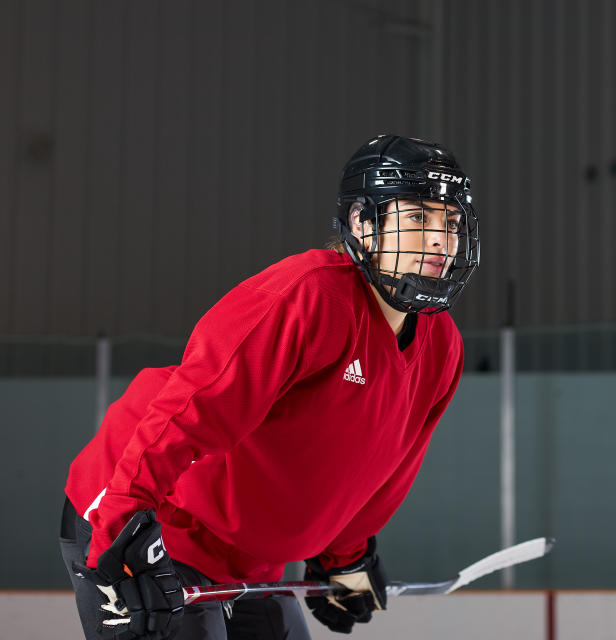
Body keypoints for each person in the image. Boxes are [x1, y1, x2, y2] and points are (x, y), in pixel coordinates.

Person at [59, 134, 480, 639]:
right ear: (362, 223)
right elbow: (194, 406)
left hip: (251, 559)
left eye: (450, 222)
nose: (440, 240)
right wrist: (120, 523)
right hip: (147, 516)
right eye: (417, 218)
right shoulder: (307, 298)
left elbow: (375, 474)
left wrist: (344, 556)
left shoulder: (442, 346)